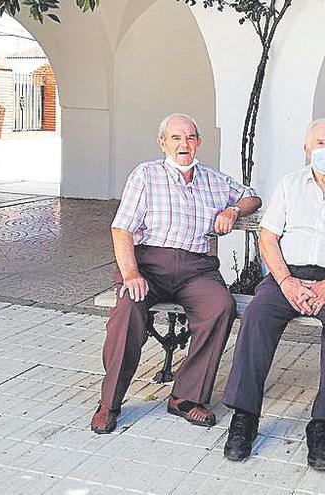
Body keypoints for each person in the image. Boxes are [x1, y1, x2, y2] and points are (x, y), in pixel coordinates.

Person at [221, 118, 325, 470]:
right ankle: (245, 417)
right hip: (287, 274)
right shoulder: (289, 185)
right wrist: (286, 282)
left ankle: (322, 425)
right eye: (319, 143)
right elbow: (268, 237)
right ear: (307, 150)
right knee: (257, 316)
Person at [90, 113, 261, 433]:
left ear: (199, 143)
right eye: (176, 138)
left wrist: (233, 209)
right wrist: (131, 275)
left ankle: (185, 398)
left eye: (190, 138)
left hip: (196, 269)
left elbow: (253, 197)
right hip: (148, 266)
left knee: (220, 306)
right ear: (163, 142)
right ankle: (109, 402)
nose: (184, 144)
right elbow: (121, 229)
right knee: (128, 310)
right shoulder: (146, 175)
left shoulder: (214, 179)